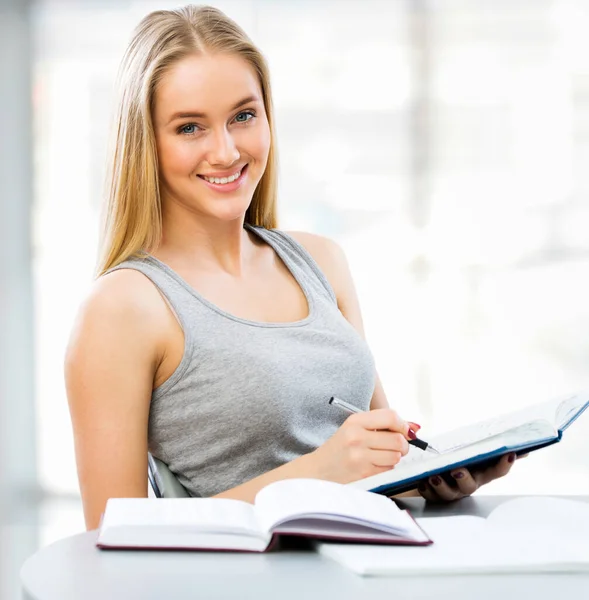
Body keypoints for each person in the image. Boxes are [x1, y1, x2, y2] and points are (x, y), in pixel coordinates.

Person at [65, 4, 519, 531]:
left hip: (378, 568)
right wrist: (319, 473)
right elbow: (112, 536)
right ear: (147, 143)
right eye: (190, 127)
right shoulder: (123, 307)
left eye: (243, 115)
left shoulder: (321, 261)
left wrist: (431, 476)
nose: (227, 150)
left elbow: (377, 459)